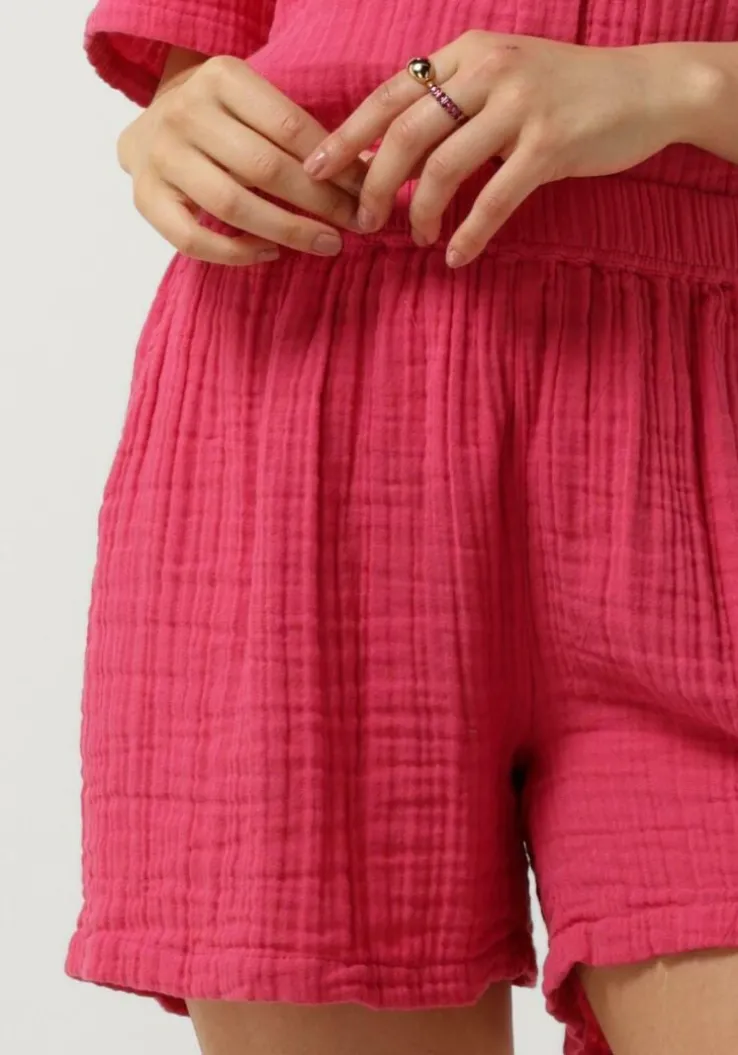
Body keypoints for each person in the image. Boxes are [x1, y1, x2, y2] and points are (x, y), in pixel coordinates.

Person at [64, 0, 738, 1052]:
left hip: (692, 428)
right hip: (301, 408)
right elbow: (203, 55)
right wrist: (177, 120)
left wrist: (682, 84)